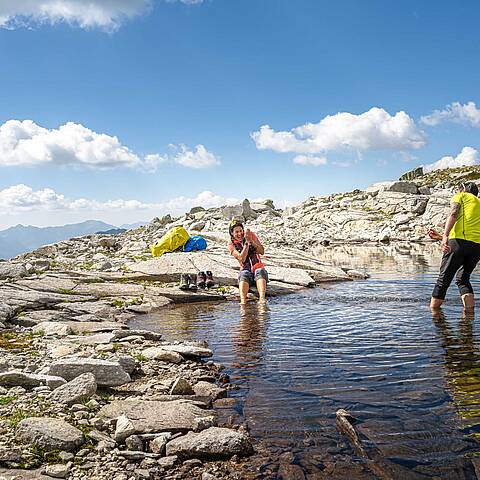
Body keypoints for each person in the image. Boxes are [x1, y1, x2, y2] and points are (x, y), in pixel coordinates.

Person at [430, 182, 480, 311]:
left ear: (463, 189)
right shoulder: (478, 203)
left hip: (458, 243)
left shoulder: (461, 196)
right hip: (476, 247)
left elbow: (453, 213)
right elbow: (471, 232)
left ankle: (433, 314)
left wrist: (445, 235)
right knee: (463, 279)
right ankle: (469, 315)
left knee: (443, 280)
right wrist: (440, 237)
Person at [228, 219, 268, 304]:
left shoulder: (251, 235)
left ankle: (262, 299)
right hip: (246, 271)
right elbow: (241, 258)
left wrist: (252, 242)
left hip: (257, 268)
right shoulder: (231, 244)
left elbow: (262, 251)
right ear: (232, 233)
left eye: (241, 231)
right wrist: (246, 243)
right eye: (236, 232)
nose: (239, 234)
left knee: (260, 271)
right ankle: (243, 302)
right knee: (243, 274)